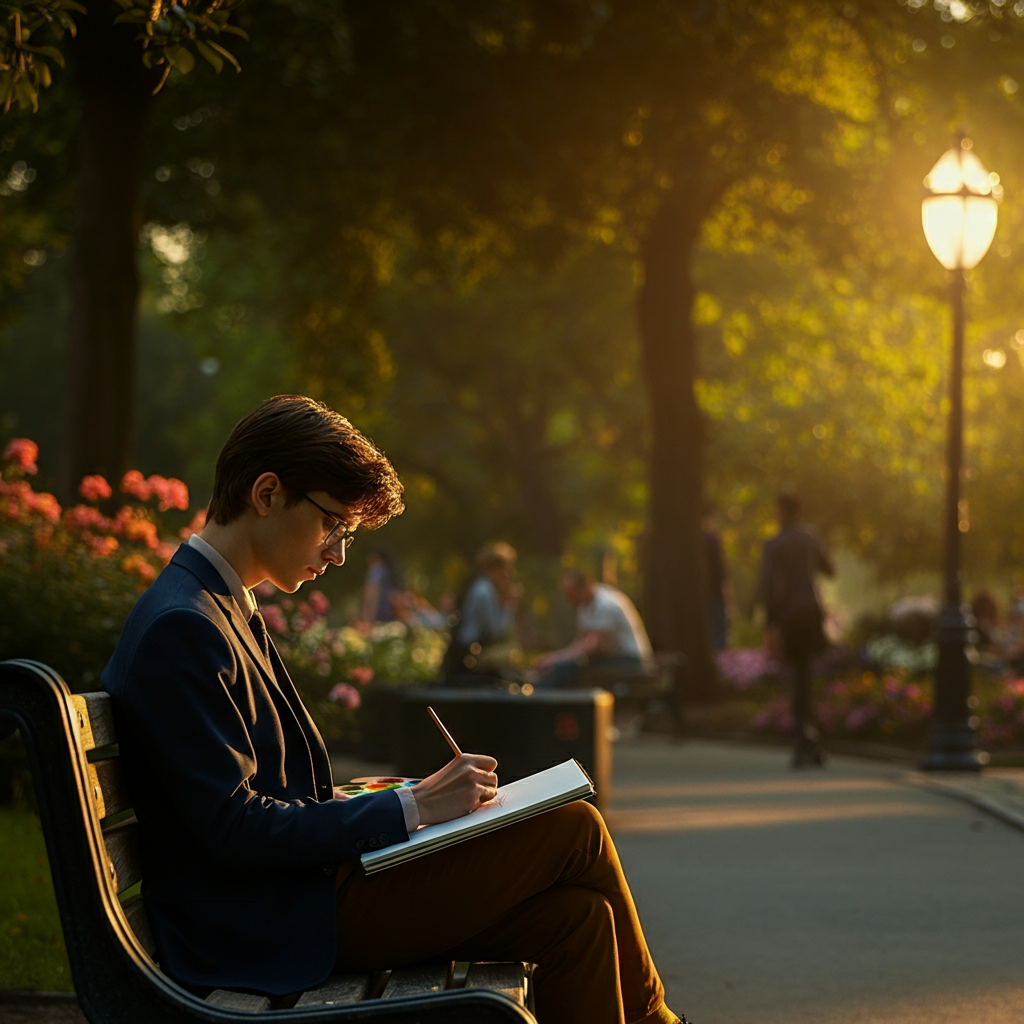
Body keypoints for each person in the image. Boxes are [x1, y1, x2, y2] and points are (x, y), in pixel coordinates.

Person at [101, 395, 687, 1024]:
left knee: (578, 922)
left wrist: (394, 798)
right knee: (575, 828)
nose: (337, 553)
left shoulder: (211, 605)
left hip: (297, 897)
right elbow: (233, 829)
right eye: (333, 524)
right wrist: (412, 808)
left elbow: (249, 802)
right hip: (270, 925)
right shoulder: (186, 626)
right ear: (266, 494)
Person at [758, 492, 835, 767]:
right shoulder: (809, 538)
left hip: (789, 615)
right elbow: (829, 569)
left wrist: (769, 625)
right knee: (806, 675)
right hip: (811, 611)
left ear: (780, 511)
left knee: (797, 677)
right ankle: (809, 735)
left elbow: (768, 587)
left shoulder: (774, 545)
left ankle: (803, 737)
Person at [534, 569, 654, 688]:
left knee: (570, 669)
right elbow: (580, 642)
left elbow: (593, 646)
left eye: (571, 594)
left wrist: (555, 659)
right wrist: (555, 658)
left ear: (584, 587)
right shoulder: (584, 605)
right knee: (566, 667)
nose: (569, 599)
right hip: (613, 659)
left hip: (631, 661)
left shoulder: (606, 604)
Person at [443, 541, 523, 680]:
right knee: (511, 652)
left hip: (474, 651)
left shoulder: (484, 588)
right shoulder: (484, 591)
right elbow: (496, 632)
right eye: (507, 568)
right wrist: (510, 604)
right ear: (494, 569)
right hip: (469, 657)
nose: (510, 574)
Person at [701, 502, 730, 652]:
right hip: (714, 597)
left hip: (696, 600)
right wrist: (728, 600)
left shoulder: (687, 542)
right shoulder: (711, 540)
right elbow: (721, 574)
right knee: (718, 639)